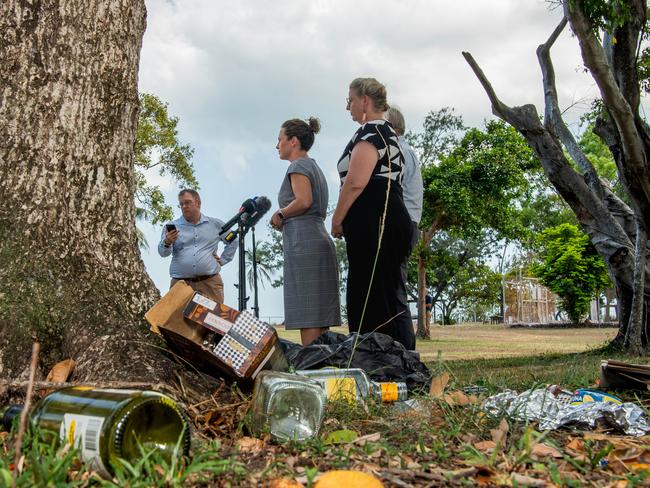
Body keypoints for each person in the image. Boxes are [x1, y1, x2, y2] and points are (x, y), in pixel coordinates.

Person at [331, 77, 415, 350]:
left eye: (350, 100)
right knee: (387, 294)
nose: (348, 108)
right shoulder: (390, 135)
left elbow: (356, 181)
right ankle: (396, 358)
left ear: (365, 101)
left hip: (376, 220)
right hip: (387, 216)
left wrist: (337, 218)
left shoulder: (371, 134)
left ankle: (379, 359)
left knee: (372, 295)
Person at [271, 117, 341, 345]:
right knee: (319, 317)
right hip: (317, 238)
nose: (277, 145)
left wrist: (280, 214)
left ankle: (312, 371)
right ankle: (322, 370)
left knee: (308, 313)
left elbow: (303, 200)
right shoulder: (314, 166)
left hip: (305, 244)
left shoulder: (298, 166)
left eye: (280, 139)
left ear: (293, 141)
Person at [158, 189, 238, 303]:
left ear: (198, 203)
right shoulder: (171, 227)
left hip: (210, 283)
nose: (184, 206)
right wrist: (167, 242)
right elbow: (163, 253)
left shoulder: (215, 224)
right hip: (180, 284)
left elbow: (234, 240)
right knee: (178, 320)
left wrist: (223, 260)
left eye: (187, 202)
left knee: (212, 319)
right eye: (181, 204)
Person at [386, 106, 424, 325]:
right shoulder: (404, 150)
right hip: (408, 223)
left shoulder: (398, 151)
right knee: (393, 287)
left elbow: (392, 190)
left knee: (394, 289)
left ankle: (404, 347)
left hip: (401, 223)